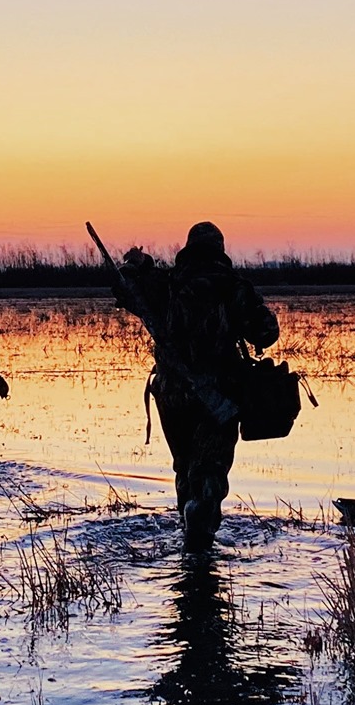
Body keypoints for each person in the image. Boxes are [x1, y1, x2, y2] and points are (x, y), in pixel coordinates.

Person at [114, 222, 279, 548]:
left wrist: (138, 267)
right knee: (211, 471)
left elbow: (125, 292)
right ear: (220, 249)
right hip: (218, 397)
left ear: (189, 248)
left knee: (185, 468)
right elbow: (265, 334)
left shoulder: (167, 284)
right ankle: (201, 524)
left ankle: (189, 531)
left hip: (172, 397)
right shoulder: (233, 287)